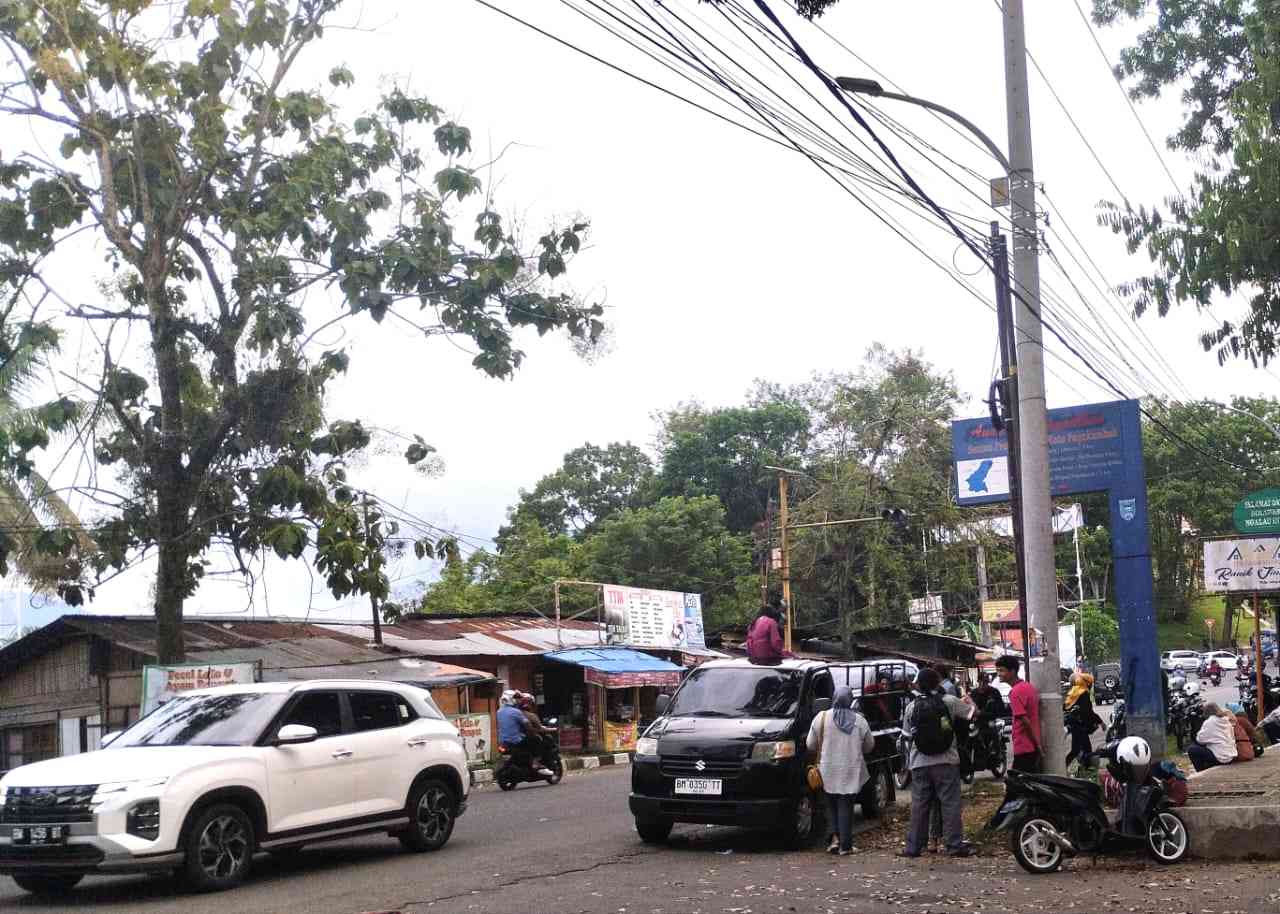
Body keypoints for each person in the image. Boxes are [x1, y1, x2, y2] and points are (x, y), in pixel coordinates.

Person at [898, 668, 976, 859]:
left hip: (919, 763)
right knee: (950, 804)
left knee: (919, 806)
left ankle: (914, 847)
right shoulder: (949, 701)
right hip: (946, 761)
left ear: (918, 684)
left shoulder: (911, 707)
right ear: (937, 683)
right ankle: (954, 845)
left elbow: (907, 736)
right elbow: (971, 714)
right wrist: (969, 701)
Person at [807, 686, 875, 856]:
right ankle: (845, 845)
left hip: (827, 769)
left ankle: (834, 840)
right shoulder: (860, 721)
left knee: (830, 805)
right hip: (850, 769)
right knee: (846, 805)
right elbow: (869, 746)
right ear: (851, 700)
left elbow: (810, 744)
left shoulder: (821, 718)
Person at [995, 655, 1041, 772]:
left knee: (1016, 786)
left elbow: (1025, 721)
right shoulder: (1028, 687)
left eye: (1002, 670)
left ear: (1012, 671)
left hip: (1024, 747)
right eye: (998, 671)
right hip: (1031, 747)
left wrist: (1037, 745)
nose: (999, 674)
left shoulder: (1015, 692)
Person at [497, 690, 554, 778]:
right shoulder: (517, 712)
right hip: (516, 741)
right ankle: (536, 763)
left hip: (503, 741)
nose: (518, 700)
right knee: (537, 739)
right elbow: (528, 726)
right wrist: (533, 732)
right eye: (516, 698)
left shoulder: (499, 712)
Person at [1063, 671, 1102, 769]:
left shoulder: (1074, 691)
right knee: (1085, 749)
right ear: (1087, 683)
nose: (1091, 686)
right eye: (1090, 684)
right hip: (1080, 726)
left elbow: (1065, 707)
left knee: (1076, 749)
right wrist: (1099, 721)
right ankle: (1087, 768)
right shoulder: (1083, 692)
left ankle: (1080, 766)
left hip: (1073, 724)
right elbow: (1088, 712)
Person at [1188, 703, 1237, 772]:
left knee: (1192, 749)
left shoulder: (1210, 721)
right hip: (1231, 756)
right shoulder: (1226, 720)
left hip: (1220, 757)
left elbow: (1199, 739)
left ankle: (1201, 771)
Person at [518, 693, 557, 768]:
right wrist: (553, 729)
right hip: (529, 738)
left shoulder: (516, 713)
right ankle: (536, 761)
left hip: (519, 738)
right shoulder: (531, 715)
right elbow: (540, 728)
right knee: (539, 740)